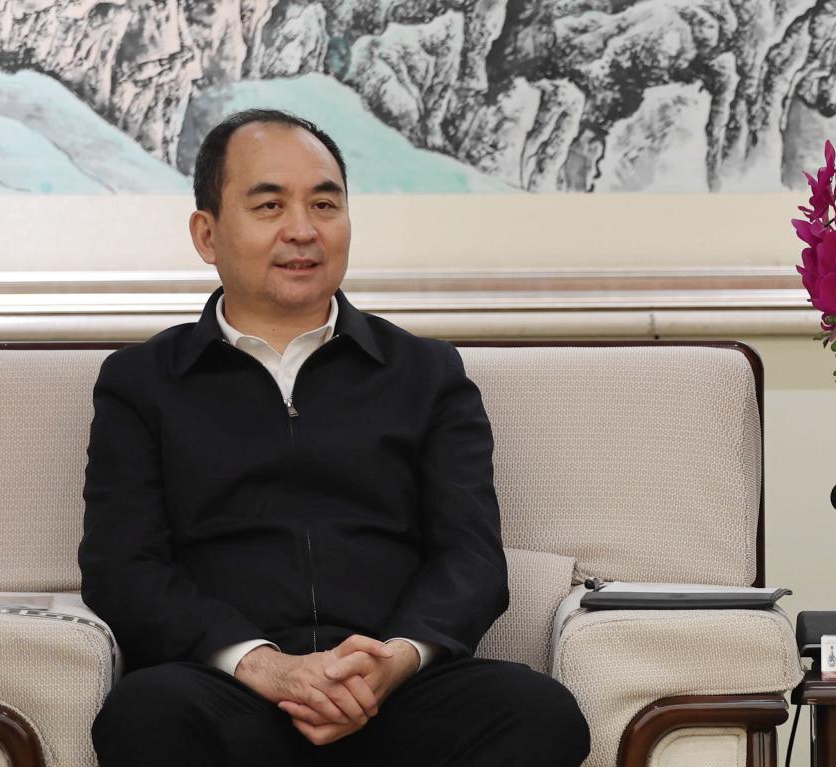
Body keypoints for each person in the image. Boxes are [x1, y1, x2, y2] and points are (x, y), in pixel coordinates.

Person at [78, 108, 591, 766]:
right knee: (145, 713)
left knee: (538, 712)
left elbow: (471, 559)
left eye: (325, 204)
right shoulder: (143, 382)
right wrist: (265, 665)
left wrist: (393, 660)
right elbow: (124, 569)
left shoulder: (425, 372)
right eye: (269, 205)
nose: (303, 230)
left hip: (394, 690)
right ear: (207, 233)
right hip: (231, 690)